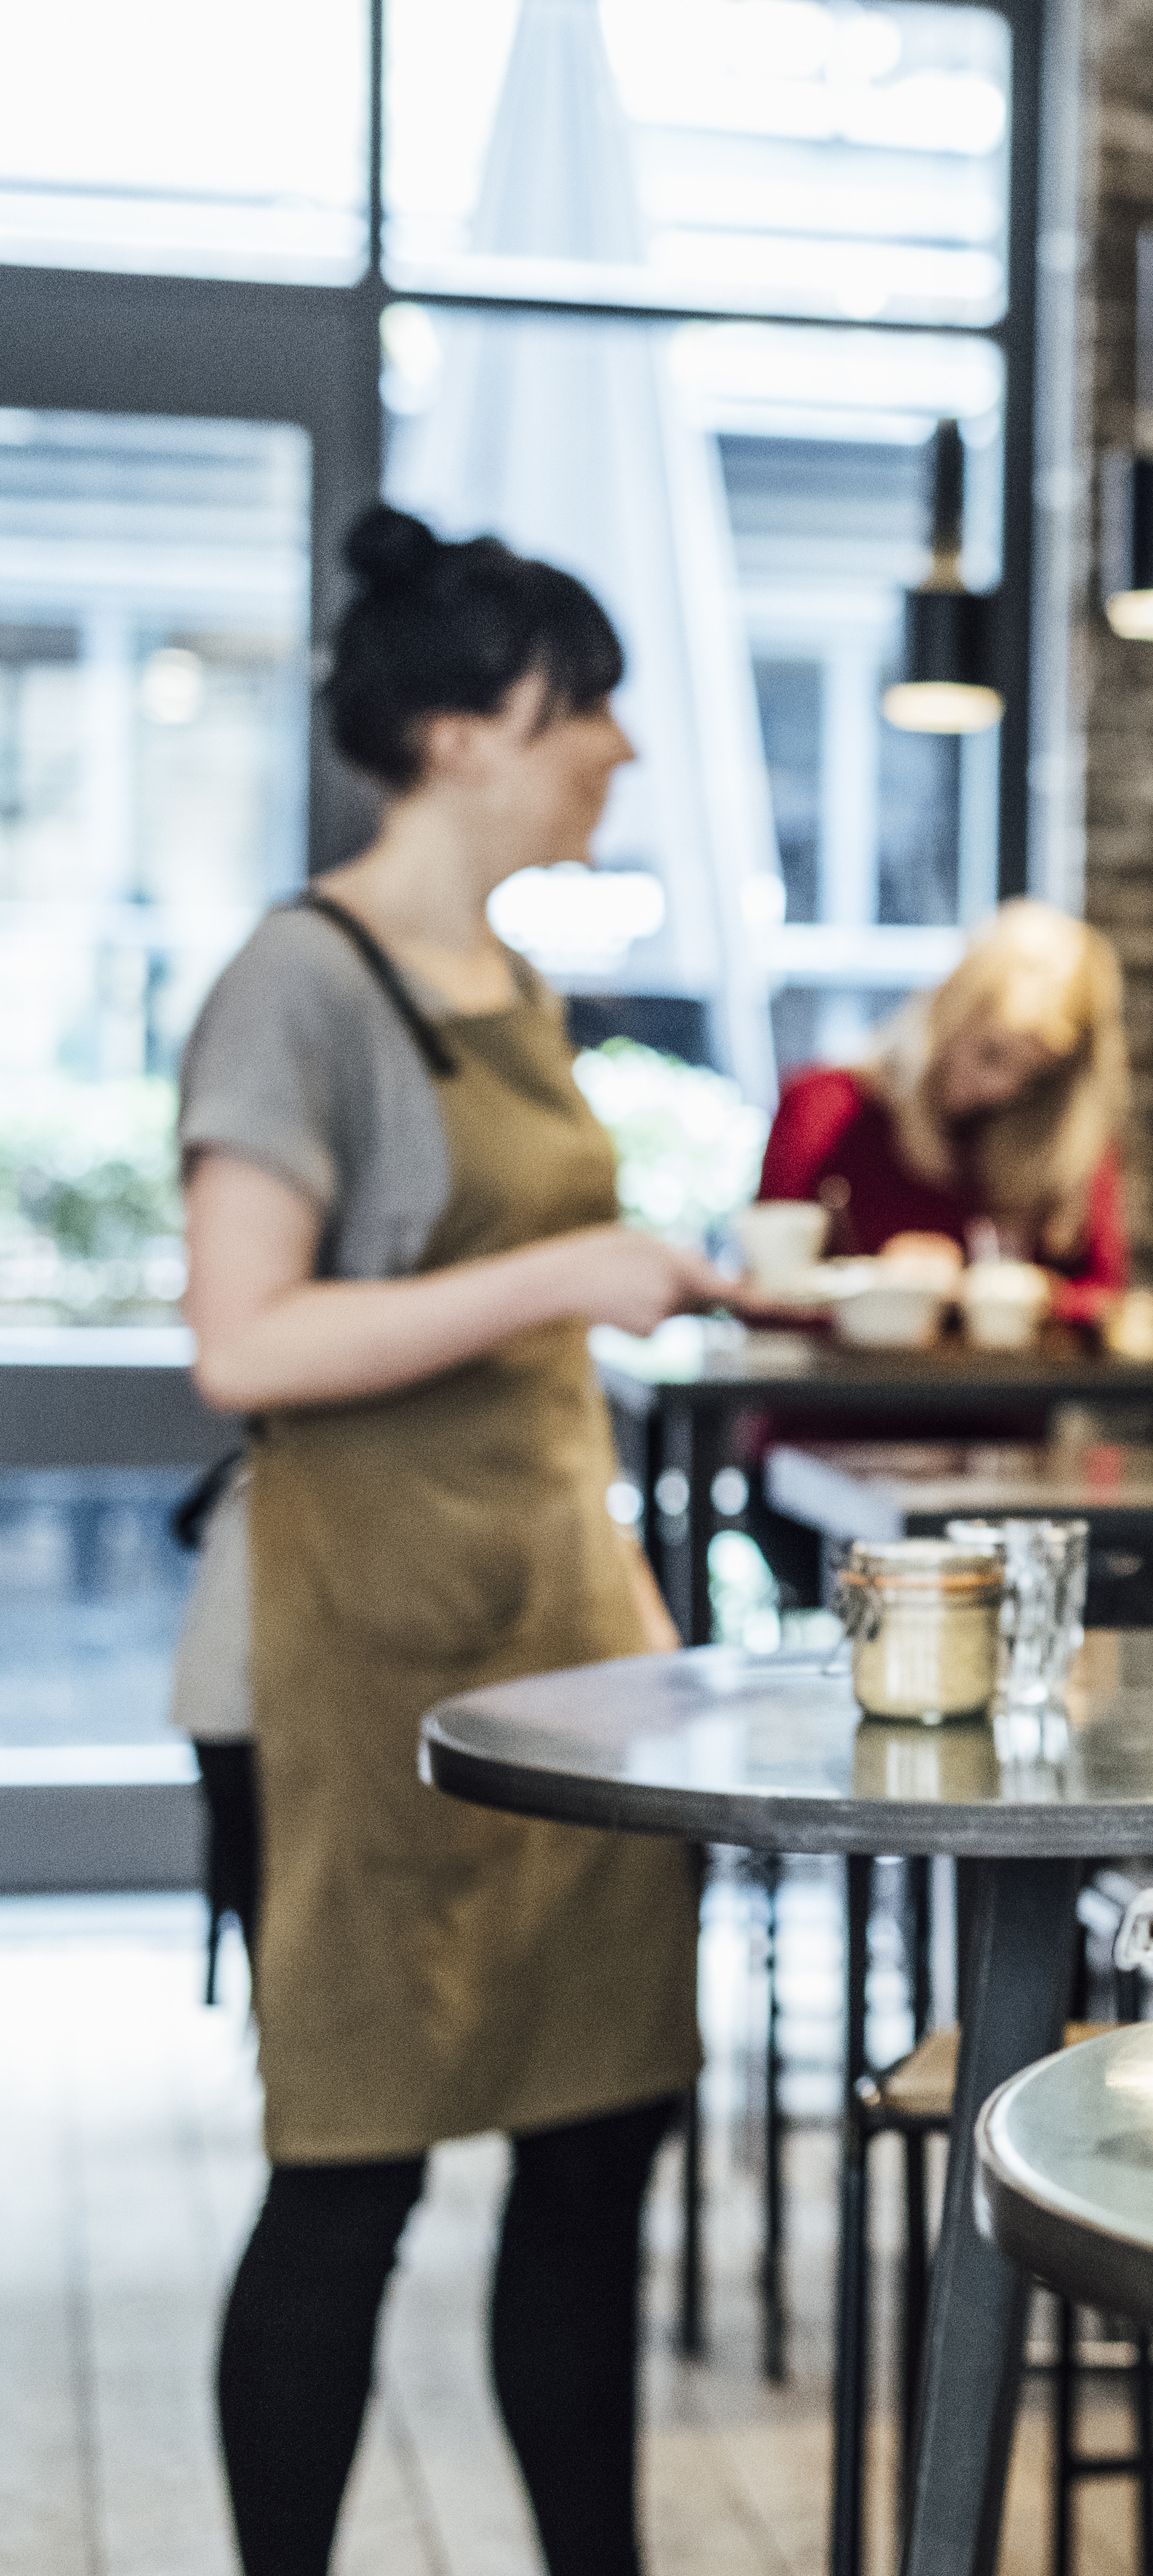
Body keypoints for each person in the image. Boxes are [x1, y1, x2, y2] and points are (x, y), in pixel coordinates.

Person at [176, 503, 728, 2576]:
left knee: (599, 2149)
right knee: (354, 2171)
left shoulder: (504, 975)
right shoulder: (293, 985)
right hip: (353, 1675)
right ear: (475, 726)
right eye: (590, 706)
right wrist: (565, 1269)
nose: (617, 750)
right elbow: (247, 1340)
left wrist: (642, 1607)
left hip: (558, 1653)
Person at [755, 897, 1131, 1322]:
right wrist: (881, 1288)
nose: (1002, 1088)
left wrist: (1011, 1291)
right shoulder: (821, 1109)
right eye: (991, 1054)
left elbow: (1106, 1298)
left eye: (1034, 1079)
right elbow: (764, 1303)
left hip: (1001, 1388)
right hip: (854, 1385)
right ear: (950, 1008)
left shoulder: (1066, 1138)